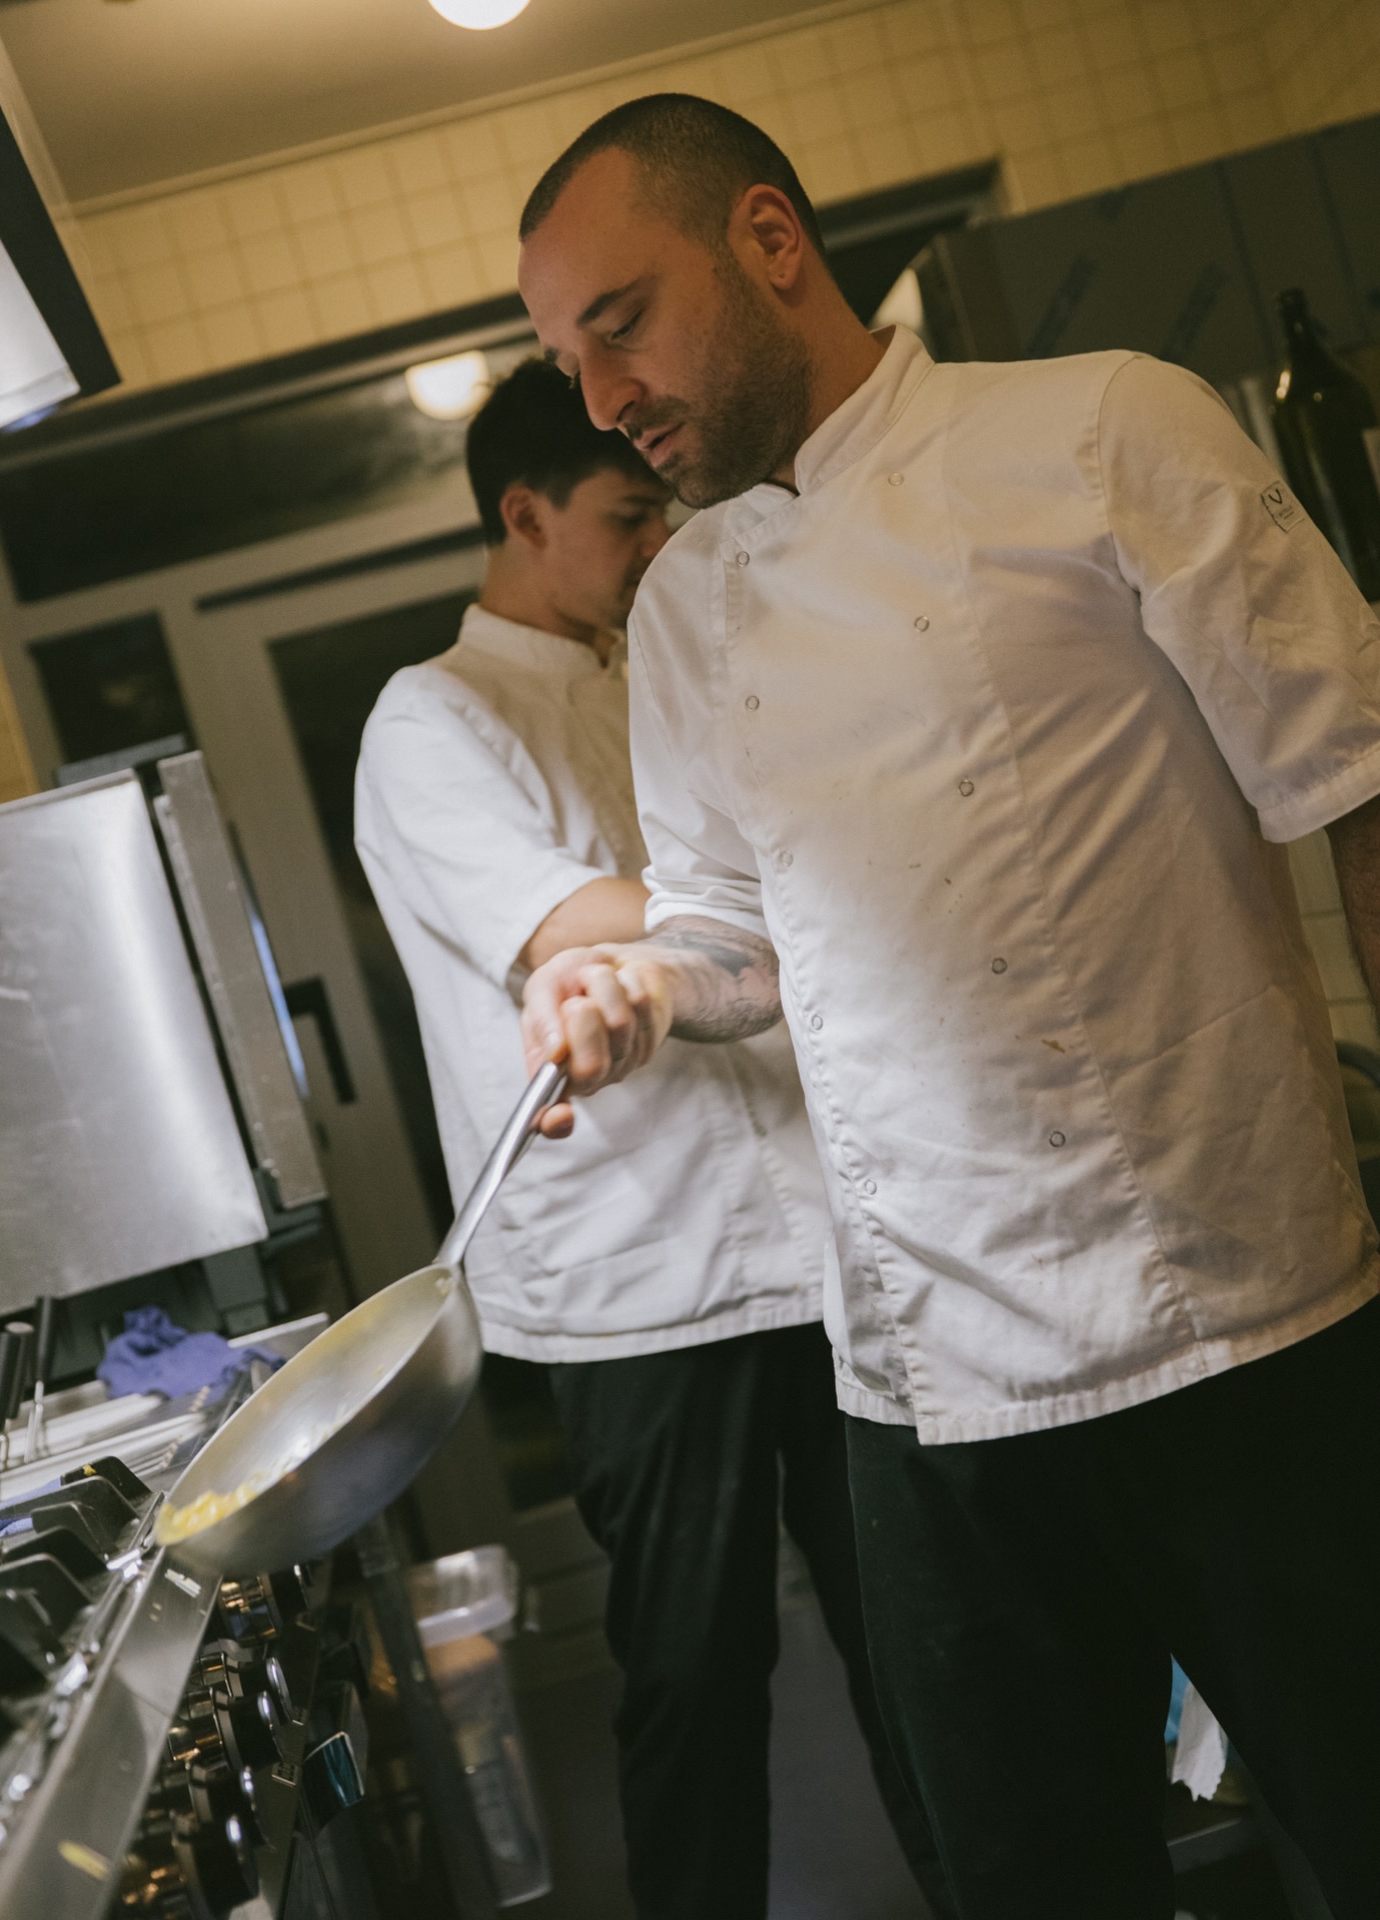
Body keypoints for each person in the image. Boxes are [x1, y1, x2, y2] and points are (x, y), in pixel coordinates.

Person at [513, 93, 1380, 1920]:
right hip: (925, 1398)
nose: (601, 399)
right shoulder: (680, 615)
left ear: (768, 241)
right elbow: (737, 936)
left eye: (622, 324)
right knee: (1035, 1885)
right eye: (559, 360)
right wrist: (644, 986)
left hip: (1237, 1323)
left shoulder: (1102, 427)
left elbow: (1351, 785)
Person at [353, 358, 955, 1920]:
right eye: (628, 517)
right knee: (695, 1672)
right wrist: (798, 881)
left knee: (922, 1635)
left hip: (817, 1248)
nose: (656, 543)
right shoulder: (433, 719)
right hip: (642, 1285)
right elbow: (574, 919)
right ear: (527, 514)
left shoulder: (662, 666)